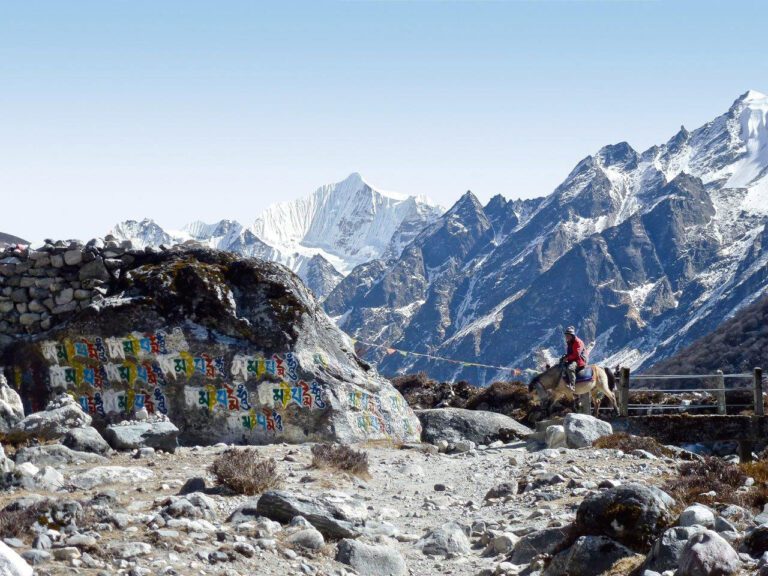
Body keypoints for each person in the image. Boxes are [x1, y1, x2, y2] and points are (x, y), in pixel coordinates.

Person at [561, 326, 587, 390]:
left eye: (568, 335)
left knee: (570, 368)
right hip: (573, 358)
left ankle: (572, 385)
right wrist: (565, 356)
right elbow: (570, 353)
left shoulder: (578, 342)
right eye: (566, 335)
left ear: (572, 335)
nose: (566, 337)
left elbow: (576, 354)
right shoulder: (570, 342)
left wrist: (567, 358)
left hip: (580, 359)